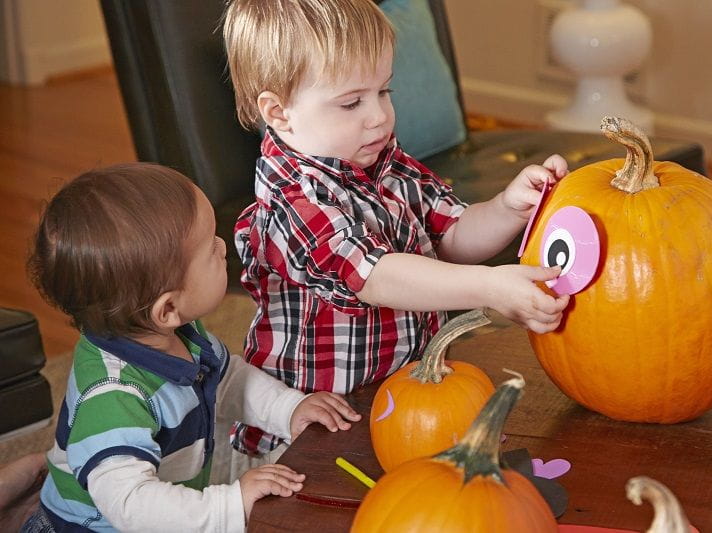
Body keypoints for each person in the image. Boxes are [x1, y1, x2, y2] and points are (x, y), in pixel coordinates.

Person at [222, 0, 570, 457]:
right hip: (314, 425)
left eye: (384, 92)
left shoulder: (385, 163)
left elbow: (454, 235)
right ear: (279, 112)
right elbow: (375, 276)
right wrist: (490, 287)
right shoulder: (293, 202)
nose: (379, 116)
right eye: (352, 102)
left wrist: (508, 208)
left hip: (401, 395)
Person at [22, 163, 361, 532]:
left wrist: (286, 408)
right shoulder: (115, 397)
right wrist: (228, 506)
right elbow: (132, 505)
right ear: (167, 308)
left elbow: (227, 378)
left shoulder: (176, 333)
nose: (222, 245)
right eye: (209, 248)